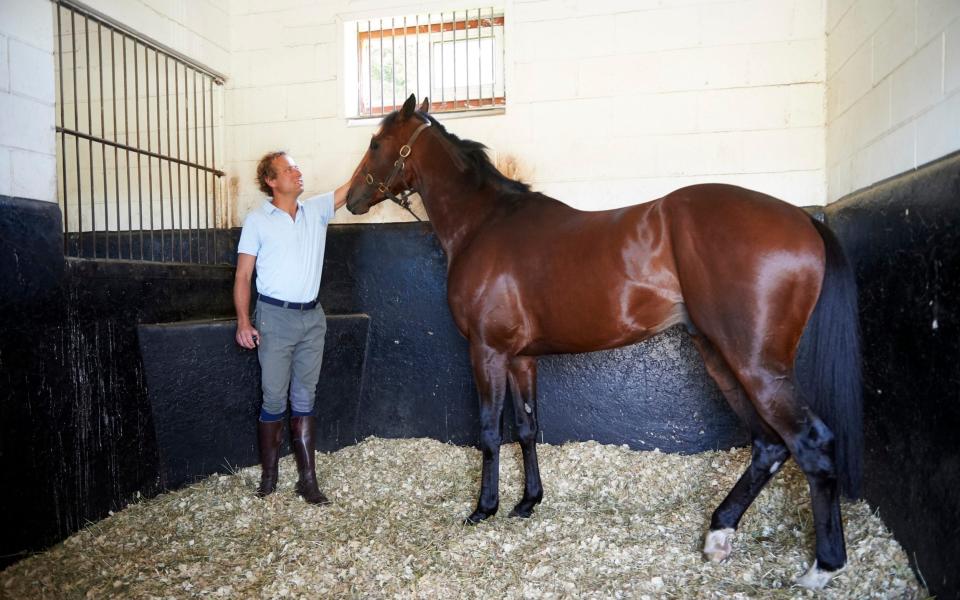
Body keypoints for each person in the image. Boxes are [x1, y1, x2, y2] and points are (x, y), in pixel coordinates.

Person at [234, 151, 348, 504]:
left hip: (312, 318)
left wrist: (378, 145)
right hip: (275, 317)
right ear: (271, 180)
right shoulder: (257, 221)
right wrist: (243, 321)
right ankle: (269, 478)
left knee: (305, 397)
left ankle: (307, 481)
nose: (297, 173)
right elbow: (243, 275)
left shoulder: (317, 210)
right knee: (272, 396)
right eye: (288, 169)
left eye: (297, 168)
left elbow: (352, 188)